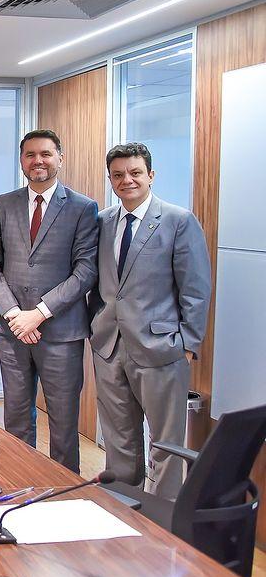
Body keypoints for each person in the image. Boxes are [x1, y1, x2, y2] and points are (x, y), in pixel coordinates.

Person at [89, 143, 211, 500]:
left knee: (166, 444)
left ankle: (162, 516)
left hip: (162, 349)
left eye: (135, 173)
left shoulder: (178, 220)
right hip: (109, 347)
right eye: (118, 175)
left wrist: (187, 345)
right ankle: (123, 507)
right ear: (110, 179)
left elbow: (196, 289)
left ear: (151, 175)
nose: (126, 180)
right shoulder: (102, 222)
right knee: (119, 439)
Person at [0, 130, 99, 473]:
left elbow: (86, 270)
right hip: (12, 330)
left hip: (60, 331)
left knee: (63, 424)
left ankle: (64, 491)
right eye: (30, 155)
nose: (38, 161)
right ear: (22, 161)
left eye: (45, 154)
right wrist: (14, 313)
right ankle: (20, 482)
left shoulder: (82, 207)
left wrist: (40, 313)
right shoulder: (4, 203)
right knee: (16, 418)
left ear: (60, 157)